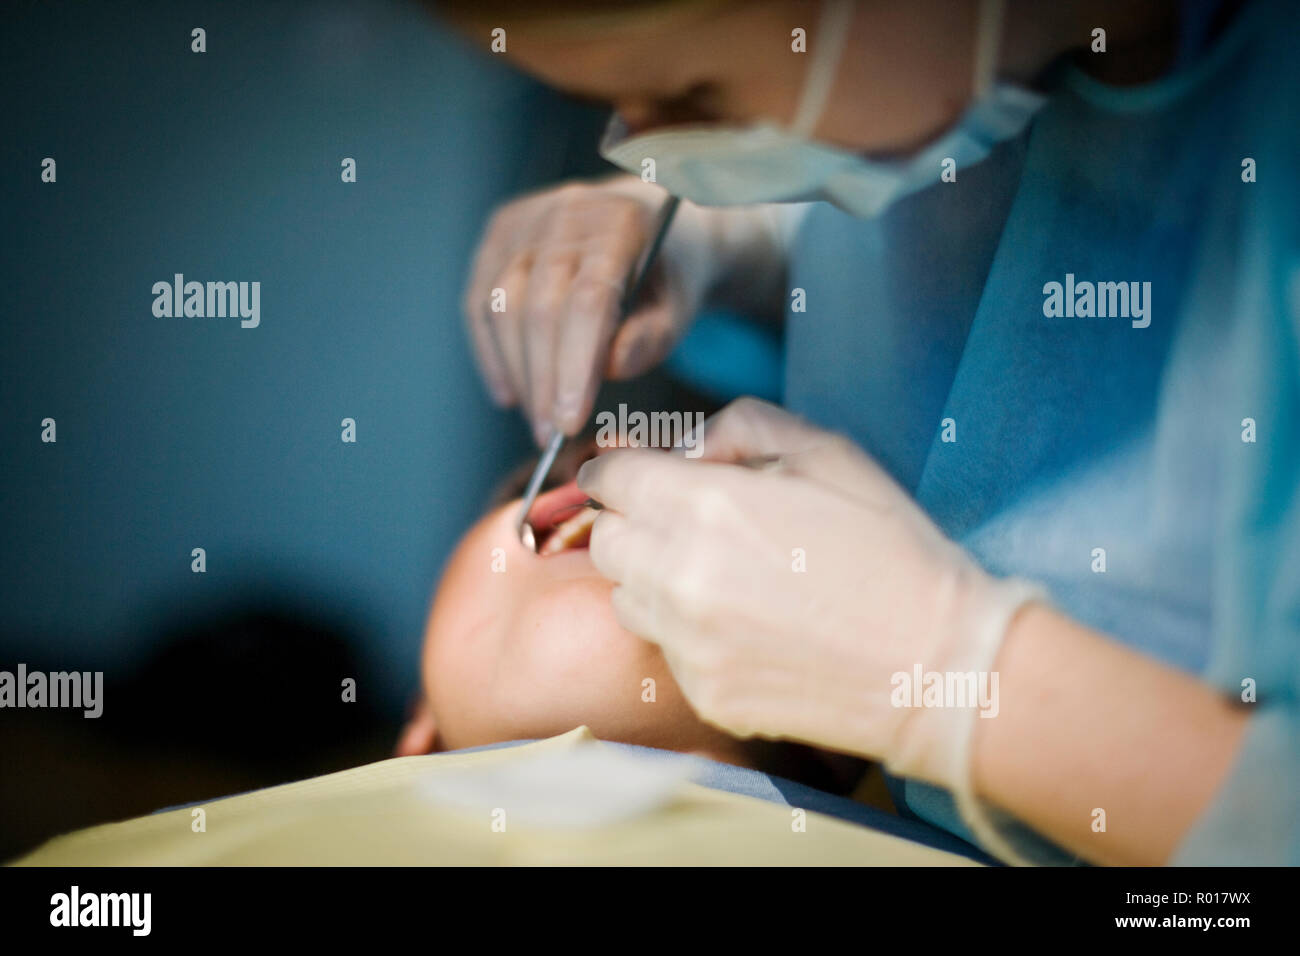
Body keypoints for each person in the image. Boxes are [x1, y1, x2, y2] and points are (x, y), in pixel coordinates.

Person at [442, 0, 1299, 865]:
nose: (647, 147)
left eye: (693, 88)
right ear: (417, 740)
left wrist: (948, 678)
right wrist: (723, 234)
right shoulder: (952, 73)